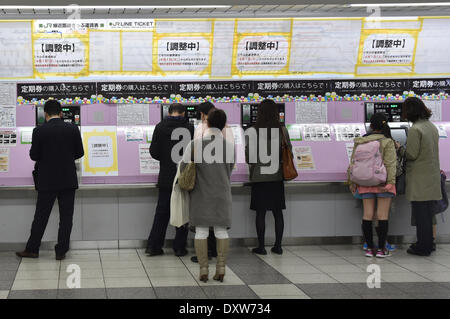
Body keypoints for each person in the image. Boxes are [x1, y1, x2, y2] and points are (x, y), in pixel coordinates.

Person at [16, 100, 84, 260]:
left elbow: (34, 155)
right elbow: (79, 153)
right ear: (60, 113)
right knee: (66, 217)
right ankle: (61, 251)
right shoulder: (73, 129)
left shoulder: (39, 131)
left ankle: (32, 249)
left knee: (41, 216)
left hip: (46, 181)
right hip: (68, 179)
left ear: (45, 114)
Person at [181, 109, 235, 282]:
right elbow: (230, 168)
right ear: (224, 125)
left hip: (200, 194)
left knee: (201, 231)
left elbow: (183, 169)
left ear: (208, 123)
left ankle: (203, 269)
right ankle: (221, 268)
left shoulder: (195, 144)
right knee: (221, 230)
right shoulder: (229, 147)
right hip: (222, 194)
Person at [146, 103, 194, 257]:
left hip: (167, 175)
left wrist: (165, 159)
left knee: (162, 212)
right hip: (184, 176)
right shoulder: (190, 127)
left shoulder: (160, 127)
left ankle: (154, 246)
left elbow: (153, 152)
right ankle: (179, 247)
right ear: (183, 112)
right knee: (183, 210)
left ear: (169, 112)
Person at [245, 99, 291, 255]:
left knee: (261, 213)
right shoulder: (282, 131)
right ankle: (278, 246)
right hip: (277, 177)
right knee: (278, 212)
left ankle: (261, 246)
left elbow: (249, 158)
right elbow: (288, 151)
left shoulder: (253, 131)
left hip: (259, 178)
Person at [348, 113, 397, 258]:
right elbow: (390, 164)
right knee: (382, 215)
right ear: (385, 125)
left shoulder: (360, 141)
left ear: (371, 126)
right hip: (382, 182)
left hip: (364, 182)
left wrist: (352, 182)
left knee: (367, 215)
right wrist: (391, 183)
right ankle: (382, 249)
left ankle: (369, 248)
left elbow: (352, 163)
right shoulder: (387, 142)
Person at [401, 97, 441, 256]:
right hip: (431, 176)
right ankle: (429, 243)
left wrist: (399, 148)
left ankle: (422, 247)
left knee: (421, 215)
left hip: (419, 178)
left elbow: (411, 154)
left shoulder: (415, 129)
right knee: (428, 213)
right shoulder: (431, 127)